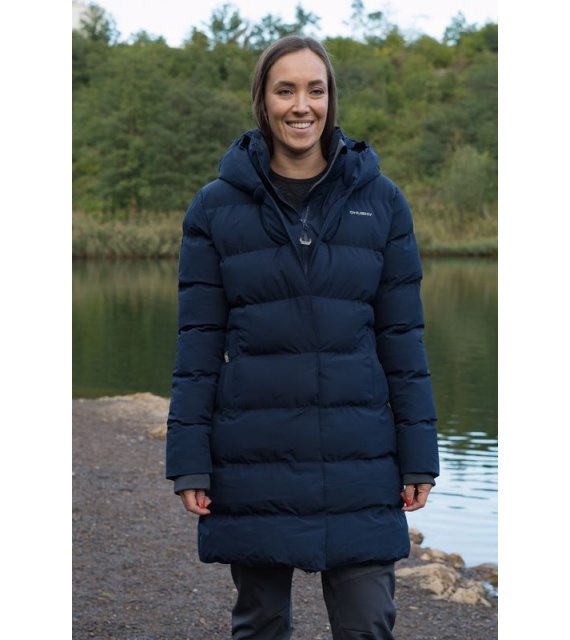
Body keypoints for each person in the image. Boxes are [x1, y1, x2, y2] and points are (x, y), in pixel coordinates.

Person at [166, 34, 439, 640]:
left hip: (360, 458)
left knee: (369, 625)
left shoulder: (382, 202)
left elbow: (403, 341)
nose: (301, 105)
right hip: (254, 456)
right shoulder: (213, 208)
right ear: (262, 101)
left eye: (315, 90)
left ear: (330, 99)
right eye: (284, 90)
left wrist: (419, 454)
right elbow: (198, 345)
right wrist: (189, 464)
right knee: (260, 626)